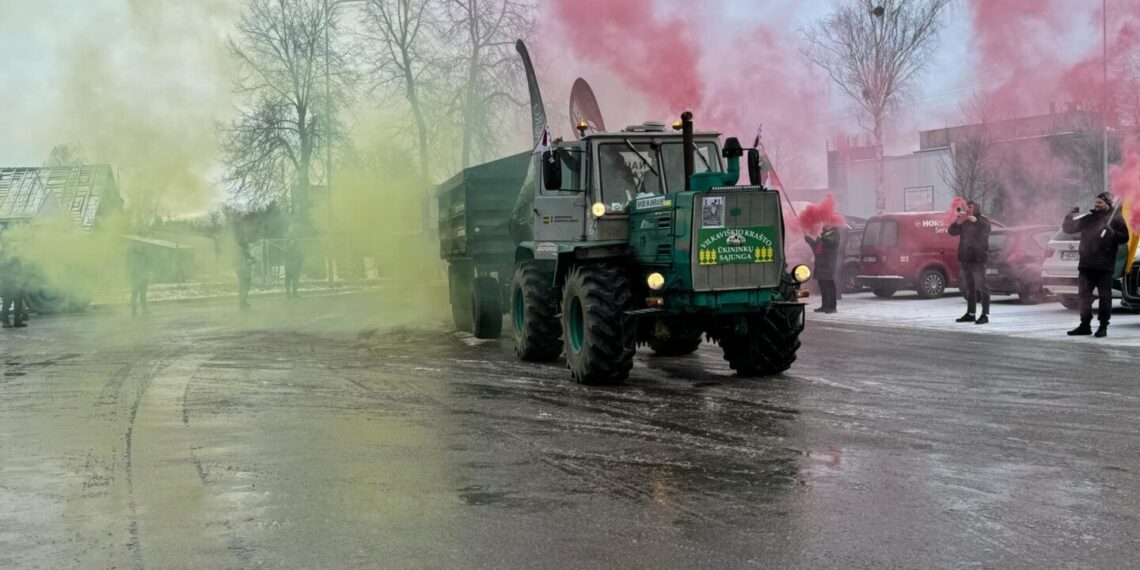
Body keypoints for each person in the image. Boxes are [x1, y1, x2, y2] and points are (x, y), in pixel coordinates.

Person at [1063, 192, 1130, 338]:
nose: (1096, 204)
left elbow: (1124, 238)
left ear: (1108, 203)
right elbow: (1069, 229)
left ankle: (1103, 326)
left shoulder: (1116, 219)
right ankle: (1084, 325)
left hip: (1104, 266)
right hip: (1086, 265)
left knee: (1105, 297)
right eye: (1096, 202)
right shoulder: (1089, 218)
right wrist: (1069, 216)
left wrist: (1113, 233)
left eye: (1100, 202)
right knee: (1084, 297)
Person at [948, 200, 992, 324]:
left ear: (976, 208)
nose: (969, 209)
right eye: (968, 207)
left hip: (978, 259)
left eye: (971, 207)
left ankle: (985, 315)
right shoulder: (964, 222)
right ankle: (971, 313)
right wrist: (957, 220)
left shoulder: (983, 221)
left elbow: (986, 230)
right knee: (969, 287)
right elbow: (951, 232)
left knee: (983, 286)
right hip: (965, 258)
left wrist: (976, 220)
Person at [805, 225, 841, 313]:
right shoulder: (822, 235)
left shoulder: (835, 233)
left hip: (828, 264)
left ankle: (832, 307)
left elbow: (832, 241)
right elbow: (816, 249)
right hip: (820, 264)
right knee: (822, 287)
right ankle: (824, 306)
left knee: (830, 286)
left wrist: (824, 238)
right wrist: (810, 241)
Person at [1, 255, 28, 328]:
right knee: (7, 304)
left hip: (16, 284)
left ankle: (17, 321)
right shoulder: (5, 261)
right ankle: (5, 322)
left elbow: (20, 272)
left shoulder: (16, 259)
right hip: (8, 285)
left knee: (18, 304)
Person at [127, 243, 151, 316]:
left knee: (141, 294)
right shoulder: (135, 257)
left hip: (141, 277)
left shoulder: (140, 256)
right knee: (136, 294)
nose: (141, 248)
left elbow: (145, 267)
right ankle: (135, 310)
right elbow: (134, 267)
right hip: (137, 278)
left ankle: (142, 309)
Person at [236, 242, 254, 310]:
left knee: (242, 287)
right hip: (245, 272)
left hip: (240, 271)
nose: (249, 248)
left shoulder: (238, 252)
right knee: (245, 287)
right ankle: (243, 302)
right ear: (245, 247)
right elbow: (248, 261)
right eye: (248, 247)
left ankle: (242, 301)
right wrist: (253, 260)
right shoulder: (244, 253)